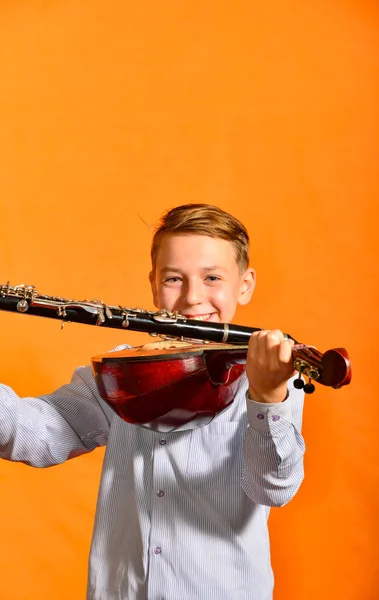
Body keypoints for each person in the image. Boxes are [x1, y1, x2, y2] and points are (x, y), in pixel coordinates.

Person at [0, 204, 305, 600]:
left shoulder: (272, 375)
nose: (193, 298)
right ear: (154, 284)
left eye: (212, 277)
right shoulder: (124, 369)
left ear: (244, 285)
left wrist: (266, 398)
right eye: (174, 278)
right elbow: (39, 435)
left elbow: (273, 489)